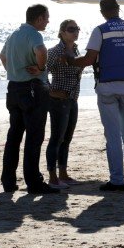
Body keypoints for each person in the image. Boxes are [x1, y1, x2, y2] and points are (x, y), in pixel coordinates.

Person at [66, 0, 124, 191]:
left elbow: (89, 59)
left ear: (102, 12)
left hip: (108, 88)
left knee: (113, 135)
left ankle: (117, 180)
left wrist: (70, 61)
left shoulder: (101, 31)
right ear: (118, 9)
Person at [0, 4, 59, 194]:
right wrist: (41, 69)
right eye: (47, 18)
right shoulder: (34, 34)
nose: (48, 21)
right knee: (34, 137)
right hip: (32, 88)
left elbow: (2, 56)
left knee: (14, 136)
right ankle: (34, 182)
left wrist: (14, 71)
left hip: (14, 88)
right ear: (39, 18)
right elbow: (41, 51)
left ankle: (8, 182)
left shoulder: (14, 34)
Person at [45, 20, 84, 188]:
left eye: (77, 29)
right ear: (61, 32)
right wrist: (51, 92)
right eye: (71, 29)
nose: (75, 32)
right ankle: (53, 178)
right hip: (59, 100)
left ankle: (63, 174)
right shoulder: (54, 51)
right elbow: (41, 73)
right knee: (56, 138)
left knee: (66, 139)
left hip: (73, 99)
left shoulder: (75, 50)